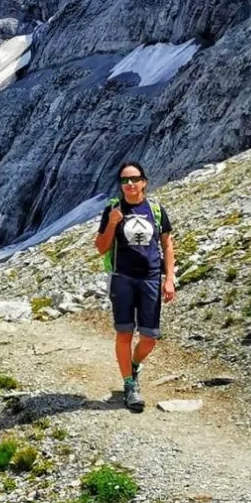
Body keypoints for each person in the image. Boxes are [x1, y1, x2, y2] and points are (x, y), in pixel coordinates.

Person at [94, 161, 175, 412]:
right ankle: (129, 384)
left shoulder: (156, 210)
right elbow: (101, 247)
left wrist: (169, 278)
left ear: (144, 182)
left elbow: (167, 244)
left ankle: (134, 365)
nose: (129, 184)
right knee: (124, 334)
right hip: (122, 278)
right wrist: (112, 223)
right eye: (124, 180)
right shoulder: (113, 210)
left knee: (149, 338)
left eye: (134, 179)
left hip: (151, 278)